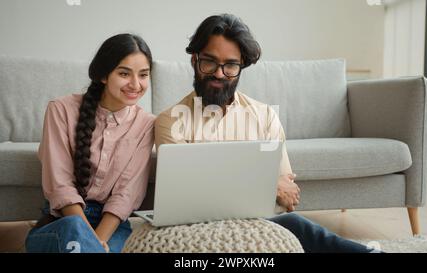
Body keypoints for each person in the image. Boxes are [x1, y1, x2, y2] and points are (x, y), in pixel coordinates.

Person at [155, 14, 377, 253]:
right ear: (194, 60)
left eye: (230, 65)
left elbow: (287, 195)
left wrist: (234, 184)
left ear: (240, 67)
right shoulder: (170, 120)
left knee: (300, 227)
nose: (219, 74)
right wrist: (267, 185)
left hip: (262, 223)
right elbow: (186, 193)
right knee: (298, 228)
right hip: (197, 229)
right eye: (209, 61)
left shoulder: (264, 116)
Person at [25, 33, 155, 253]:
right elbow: (60, 184)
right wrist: (88, 240)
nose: (136, 84)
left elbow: (127, 193)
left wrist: (94, 242)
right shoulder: (61, 109)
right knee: (76, 232)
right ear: (103, 75)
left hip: (112, 226)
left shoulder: (147, 124)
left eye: (143, 75)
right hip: (63, 220)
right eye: (124, 73)